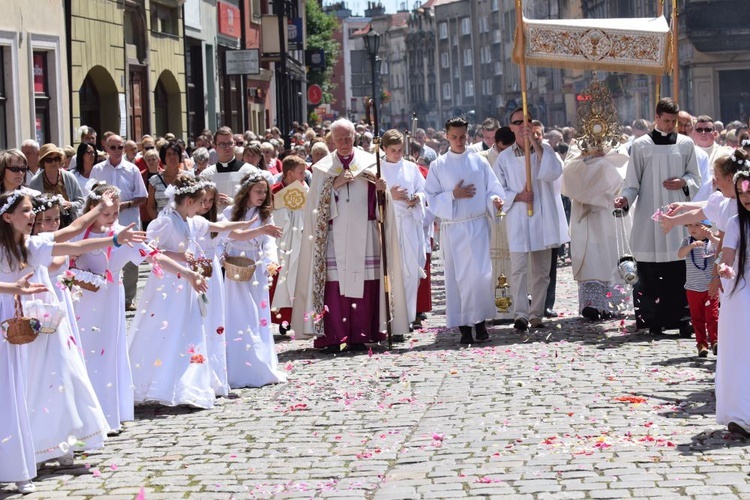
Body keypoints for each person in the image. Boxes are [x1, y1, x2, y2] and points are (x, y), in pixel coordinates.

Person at [128, 176, 252, 408]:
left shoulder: (191, 221)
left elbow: (217, 227)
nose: (203, 206)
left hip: (189, 283)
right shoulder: (166, 222)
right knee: (166, 330)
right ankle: (156, 380)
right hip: (169, 284)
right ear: (188, 201)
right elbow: (149, 250)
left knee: (192, 329)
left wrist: (241, 225)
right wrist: (177, 256)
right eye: (200, 202)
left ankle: (188, 385)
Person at [291, 118, 410, 351]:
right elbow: (314, 207)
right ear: (331, 140)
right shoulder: (323, 168)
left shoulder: (370, 163)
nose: (344, 143)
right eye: (339, 139)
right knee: (335, 288)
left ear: (354, 137)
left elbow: (382, 206)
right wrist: (333, 185)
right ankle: (335, 336)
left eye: (348, 138)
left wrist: (381, 191)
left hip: (365, 235)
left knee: (366, 284)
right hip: (334, 237)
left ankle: (362, 334)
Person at [614, 98, 701, 336]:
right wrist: (625, 199)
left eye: (674, 121)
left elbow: (696, 178)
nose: (671, 125)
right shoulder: (641, 145)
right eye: (666, 120)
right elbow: (632, 183)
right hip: (648, 216)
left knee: (678, 270)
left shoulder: (685, 144)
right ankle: (651, 319)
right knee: (649, 272)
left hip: (677, 215)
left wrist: (684, 182)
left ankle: (681, 319)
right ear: (656, 117)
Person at [425, 117, 505, 344]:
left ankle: (480, 324)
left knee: (480, 275)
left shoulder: (479, 162)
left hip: (477, 225)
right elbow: (430, 198)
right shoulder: (438, 165)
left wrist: (495, 200)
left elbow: (492, 188)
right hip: (454, 228)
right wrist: (453, 195)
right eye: (454, 137)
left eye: (462, 136)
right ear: (447, 136)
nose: (459, 141)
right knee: (458, 278)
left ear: (468, 135)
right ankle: (463, 327)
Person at [495, 108, 567, 332]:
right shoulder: (504, 157)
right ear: (511, 127)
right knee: (518, 269)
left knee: (542, 270)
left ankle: (536, 312)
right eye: (517, 123)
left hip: (541, 216)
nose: (521, 126)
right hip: (519, 215)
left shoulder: (543, 150)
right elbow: (498, 189)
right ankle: (520, 314)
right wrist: (517, 196)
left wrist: (535, 145)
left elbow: (553, 172)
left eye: (525, 121)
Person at [221, 173, 287, 387]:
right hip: (234, 268)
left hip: (255, 270)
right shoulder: (230, 212)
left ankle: (258, 361)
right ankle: (236, 364)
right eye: (258, 191)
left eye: (264, 192)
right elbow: (222, 236)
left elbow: (268, 242)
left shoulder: (265, 215)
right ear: (247, 191)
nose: (262, 195)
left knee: (255, 314)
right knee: (236, 312)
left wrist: (270, 262)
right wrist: (222, 256)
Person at [562, 143, 629, 321]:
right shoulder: (577, 145)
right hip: (587, 213)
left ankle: (613, 303)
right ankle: (591, 304)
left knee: (611, 254)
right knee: (591, 255)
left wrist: (602, 162)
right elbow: (569, 171)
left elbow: (622, 169)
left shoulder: (617, 144)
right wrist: (590, 160)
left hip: (609, 210)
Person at [714, 168, 750, 436]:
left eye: (748, 192)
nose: (745, 198)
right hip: (741, 290)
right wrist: (724, 270)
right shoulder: (737, 223)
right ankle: (741, 413)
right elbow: (727, 257)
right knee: (740, 351)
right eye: (740, 194)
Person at [380, 130, 427, 332]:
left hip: (408, 222)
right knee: (392, 271)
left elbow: (424, 190)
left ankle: (407, 317)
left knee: (411, 271)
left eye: (400, 150)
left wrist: (417, 198)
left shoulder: (410, 168)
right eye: (393, 150)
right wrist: (389, 194)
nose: (397, 154)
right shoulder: (377, 169)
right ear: (383, 149)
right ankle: (392, 318)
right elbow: (369, 198)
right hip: (390, 223)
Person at [269, 156, 309, 335]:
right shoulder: (274, 191)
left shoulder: (306, 189)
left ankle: (299, 317)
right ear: (289, 173)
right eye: (301, 172)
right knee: (281, 281)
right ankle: (282, 319)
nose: (304, 175)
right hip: (282, 242)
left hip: (300, 240)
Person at [678, 220, 719, 357]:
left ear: (706, 227)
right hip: (693, 288)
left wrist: (712, 237)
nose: (692, 228)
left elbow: (722, 249)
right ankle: (701, 344)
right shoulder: (687, 240)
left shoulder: (712, 241)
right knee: (697, 318)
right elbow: (680, 254)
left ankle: (715, 341)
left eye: (697, 225)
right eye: (689, 225)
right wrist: (691, 246)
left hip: (710, 287)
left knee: (712, 316)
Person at [199, 127, 259, 208]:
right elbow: (199, 202)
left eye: (230, 143)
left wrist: (234, 202)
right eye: (222, 144)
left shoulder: (250, 171)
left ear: (234, 144)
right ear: (215, 147)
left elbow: (258, 200)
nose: (227, 148)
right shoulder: (206, 175)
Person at [29, 144, 85, 226]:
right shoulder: (35, 181)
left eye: (56, 159)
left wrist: (70, 204)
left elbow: (81, 201)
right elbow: (32, 205)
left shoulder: (69, 177)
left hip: (68, 223)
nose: (53, 162)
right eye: (49, 160)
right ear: (43, 162)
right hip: (45, 226)